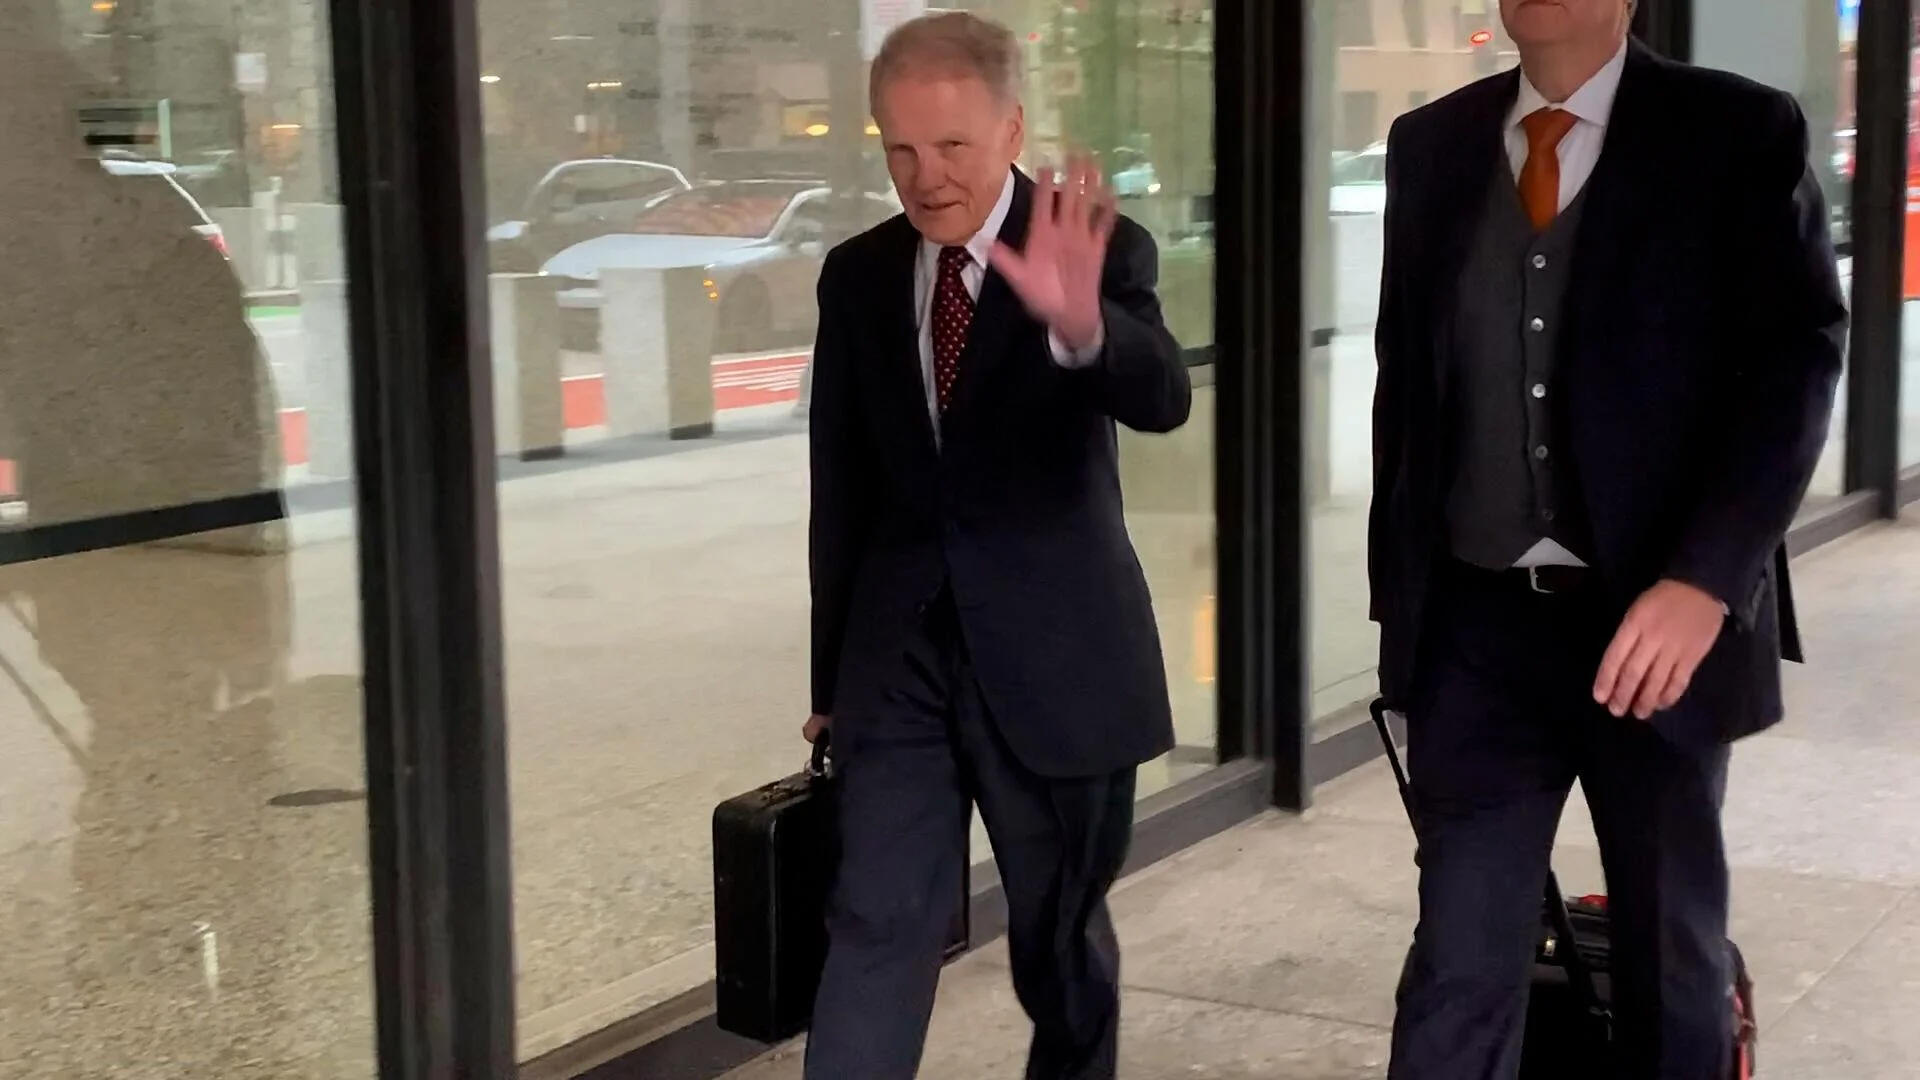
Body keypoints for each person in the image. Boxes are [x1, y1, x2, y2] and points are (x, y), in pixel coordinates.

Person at [1369, 1, 1846, 1077]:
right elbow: (1408, 387)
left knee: (1670, 957)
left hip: (1654, 628)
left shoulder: (1735, 130)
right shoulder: (1431, 144)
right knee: (1456, 964)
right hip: (1477, 630)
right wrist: (1404, 616)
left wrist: (1707, 580)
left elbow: (1795, 364)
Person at [802, 11, 1190, 1079]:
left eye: (952, 146)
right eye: (900, 149)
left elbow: (1162, 395)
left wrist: (1083, 327)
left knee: (1056, 945)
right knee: (875, 920)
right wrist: (832, 683)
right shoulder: (859, 275)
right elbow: (842, 488)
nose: (924, 178)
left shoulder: (1097, 244)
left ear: (1012, 128)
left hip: (1055, 659)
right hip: (900, 664)